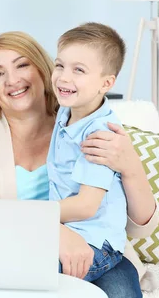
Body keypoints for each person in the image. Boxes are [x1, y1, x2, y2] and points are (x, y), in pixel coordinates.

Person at [0, 31, 158, 298]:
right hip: (25, 252)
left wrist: (131, 167)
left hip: (97, 249)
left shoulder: (81, 124)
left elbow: (141, 227)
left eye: (22, 65)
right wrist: (55, 230)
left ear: (41, 67)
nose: (12, 80)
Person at [48, 23, 128, 282]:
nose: (63, 77)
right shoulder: (67, 110)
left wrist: (31, 217)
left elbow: (85, 206)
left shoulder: (100, 135)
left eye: (78, 70)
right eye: (59, 65)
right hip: (66, 231)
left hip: (95, 245)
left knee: (19, 274)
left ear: (105, 83)